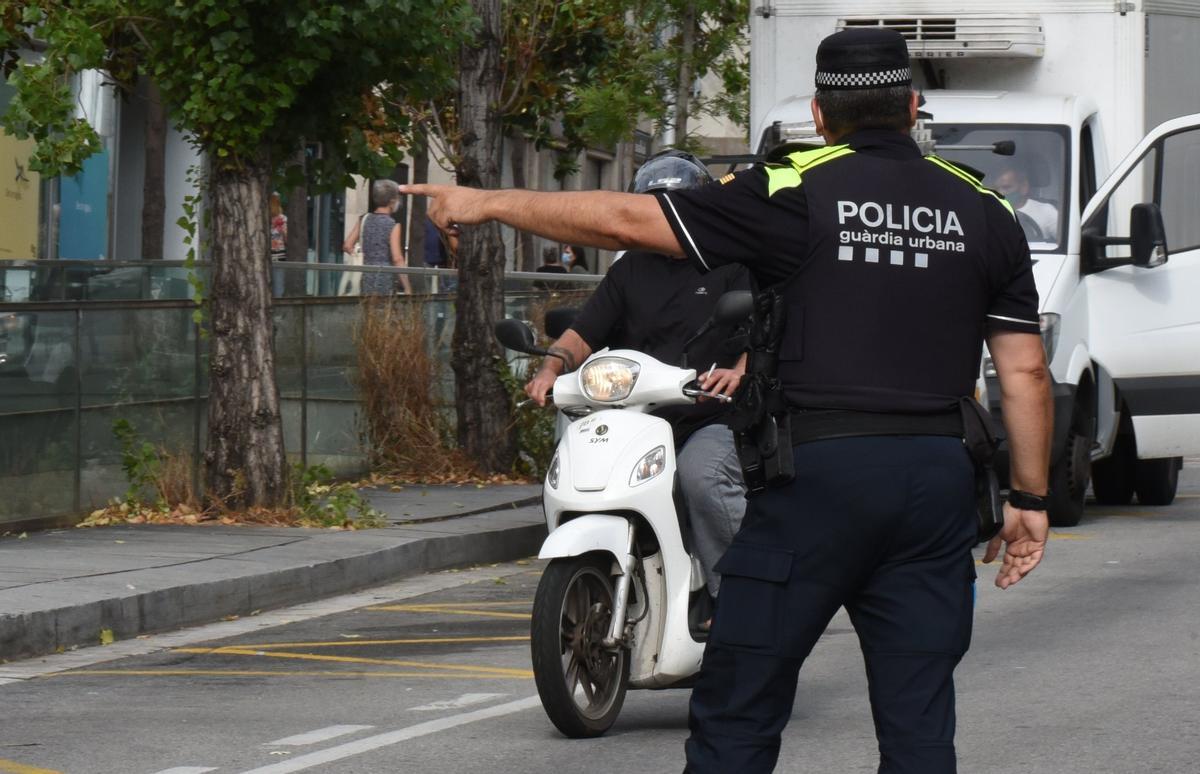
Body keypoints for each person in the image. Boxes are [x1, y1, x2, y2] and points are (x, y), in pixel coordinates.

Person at [403, 27, 1053, 774]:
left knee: (738, 715)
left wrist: (483, 201)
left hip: (818, 479)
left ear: (821, 112)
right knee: (919, 725)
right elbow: (1024, 372)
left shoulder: (791, 190)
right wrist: (1029, 498)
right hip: (936, 481)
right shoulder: (984, 211)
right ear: (913, 108)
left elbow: (622, 220)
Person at [525, 149, 750, 604]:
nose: (661, 219)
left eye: (673, 210)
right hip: (639, 419)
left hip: (711, 416)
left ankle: (736, 598)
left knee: (699, 477)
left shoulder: (731, 265)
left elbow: (758, 329)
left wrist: (738, 370)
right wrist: (549, 368)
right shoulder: (628, 270)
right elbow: (583, 333)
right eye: (652, 208)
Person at [342, 179, 413, 296]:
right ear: (392, 201)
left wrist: (362, 255)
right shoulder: (393, 225)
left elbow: (347, 245)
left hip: (365, 276)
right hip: (384, 278)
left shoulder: (363, 219)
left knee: (367, 310)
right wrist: (407, 287)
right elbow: (397, 259)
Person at [994, 164, 1059, 243]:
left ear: (1024, 187)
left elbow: (1068, 245)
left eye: (1006, 187)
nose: (999, 193)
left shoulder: (1046, 211)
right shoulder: (986, 211)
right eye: (996, 188)